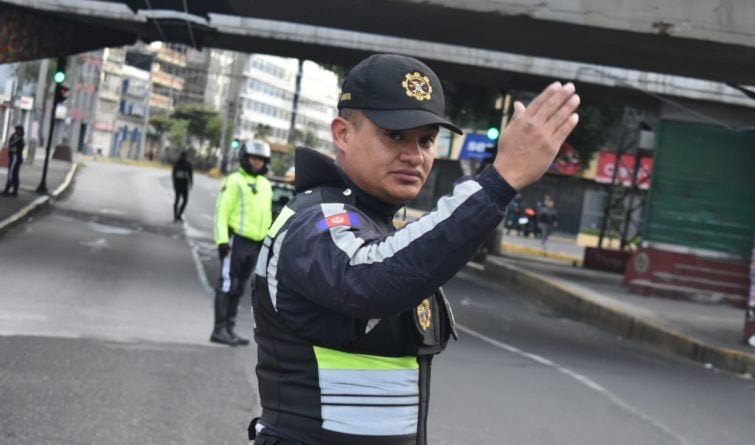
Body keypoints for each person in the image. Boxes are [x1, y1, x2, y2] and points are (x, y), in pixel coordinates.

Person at [249, 53, 579, 444]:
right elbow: (370, 280)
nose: (414, 155)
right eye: (394, 135)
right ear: (342, 134)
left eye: (426, 140)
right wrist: (499, 180)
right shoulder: (314, 222)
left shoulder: (378, 225)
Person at [211, 140, 273, 346]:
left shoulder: (265, 185)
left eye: (261, 160)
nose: (257, 163)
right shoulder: (234, 180)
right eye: (253, 159)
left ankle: (230, 328)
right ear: (245, 159)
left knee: (239, 287)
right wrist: (222, 241)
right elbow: (222, 212)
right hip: (235, 241)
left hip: (255, 245)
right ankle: (219, 329)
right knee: (228, 284)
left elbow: (267, 216)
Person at [2, 125, 25, 197]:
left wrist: (11, 148)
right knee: (11, 173)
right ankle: (8, 189)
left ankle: (14, 190)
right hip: (12, 157)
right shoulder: (14, 137)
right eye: (15, 130)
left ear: (20, 131)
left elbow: (16, 148)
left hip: (16, 157)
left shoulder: (20, 139)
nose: (16, 131)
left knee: (13, 174)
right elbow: (10, 144)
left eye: (17, 130)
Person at [171, 150, 193, 222]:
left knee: (182, 201)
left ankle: (178, 215)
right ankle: (177, 216)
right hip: (181, 185)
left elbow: (190, 175)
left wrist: (191, 183)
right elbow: (174, 175)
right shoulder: (179, 164)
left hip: (182, 185)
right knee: (179, 201)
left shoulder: (186, 164)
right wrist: (191, 183)